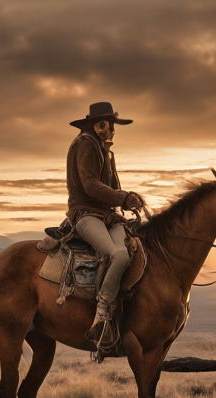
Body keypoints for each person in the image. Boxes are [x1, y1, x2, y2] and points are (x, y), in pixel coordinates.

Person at [66, 102, 143, 345]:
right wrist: (122, 197)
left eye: (110, 125)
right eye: (103, 125)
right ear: (93, 125)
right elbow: (89, 185)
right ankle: (102, 313)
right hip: (85, 215)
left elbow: (113, 188)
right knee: (116, 255)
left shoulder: (106, 152)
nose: (108, 129)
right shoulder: (85, 144)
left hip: (107, 215)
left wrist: (129, 200)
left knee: (132, 247)